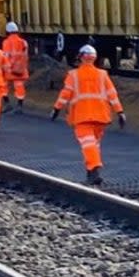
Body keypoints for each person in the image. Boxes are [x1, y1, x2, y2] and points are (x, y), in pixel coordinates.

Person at [51, 45, 125, 186]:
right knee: (93, 145)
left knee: (88, 144)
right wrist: (120, 112)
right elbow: (112, 95)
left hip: (82, 116)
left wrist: (56, 109)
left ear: (81, 57)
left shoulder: (73, 75)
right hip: (101, 116)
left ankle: (94, 169)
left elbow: (65, 94)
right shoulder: (102, 75)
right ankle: (90, 173)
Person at [1, 21, 29, 112]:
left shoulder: (6, 42)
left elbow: (5, 56)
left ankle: (7, 103)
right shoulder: (24, 42)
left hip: (9, 69)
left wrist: (4, 67)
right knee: (19, 86)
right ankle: (20, 105)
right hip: (20, 68)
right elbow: (25, 56)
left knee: (3, 85)